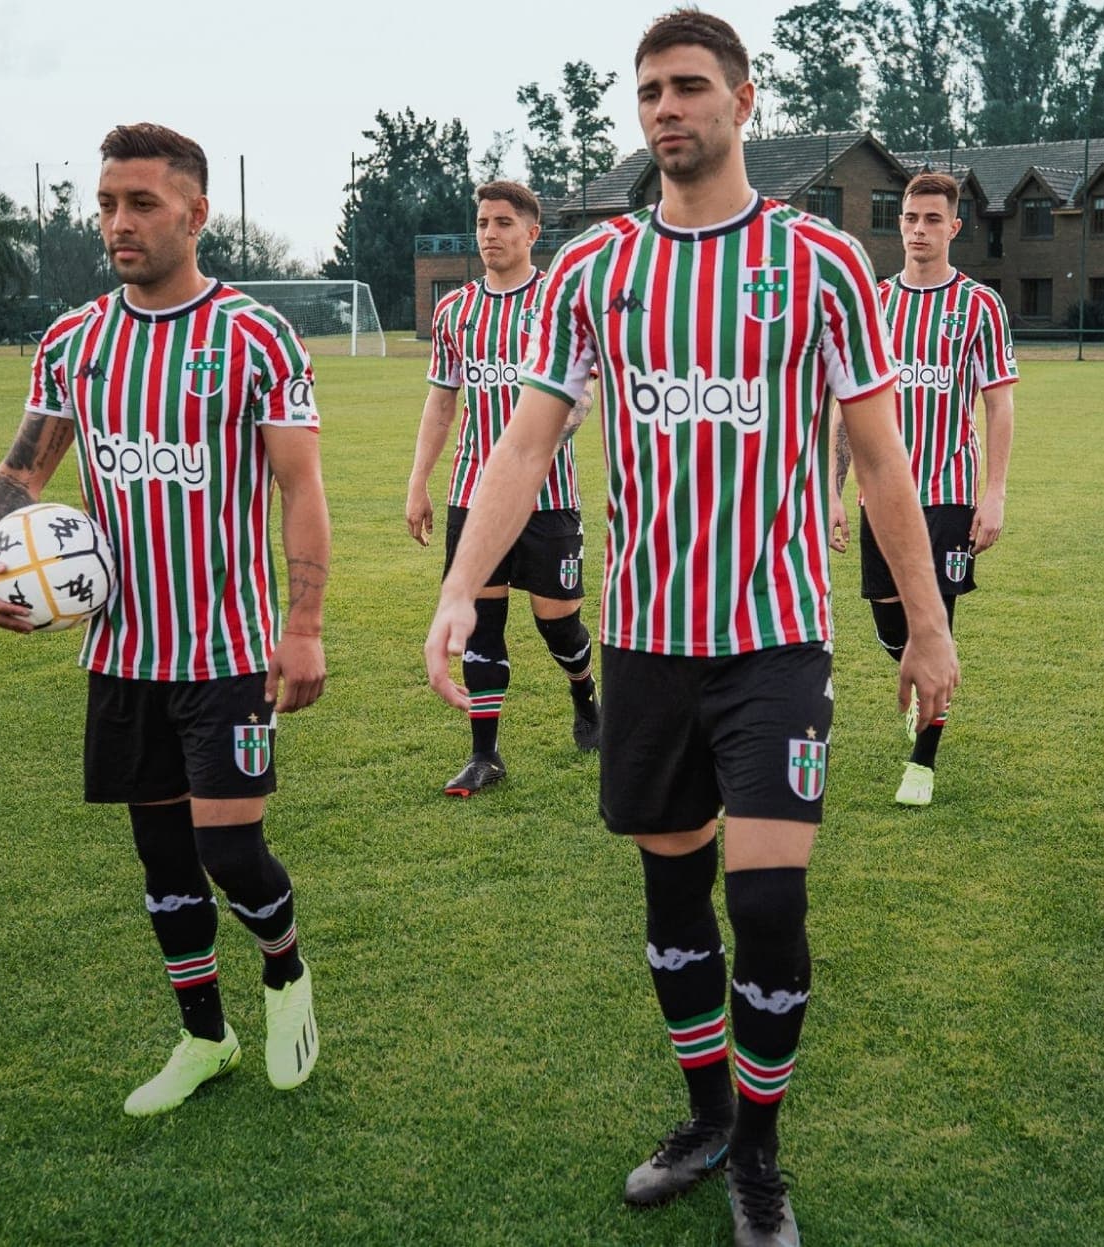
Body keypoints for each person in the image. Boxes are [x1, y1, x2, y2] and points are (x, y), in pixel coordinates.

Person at [423, 12, 956, 1246]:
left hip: (776, 635)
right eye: (651, 90)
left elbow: (880, 462)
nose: (668, 108)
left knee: (766, 901)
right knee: (673, 891)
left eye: (691, 87)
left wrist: (925, 631)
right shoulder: (595, 269)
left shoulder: (819, 263)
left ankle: (760, 1156)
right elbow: (523, 441)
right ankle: (707, 1113)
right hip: (650, 642)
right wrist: (461, 583)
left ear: (744, 101)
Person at [0, 123, 329, 1112]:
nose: (119, 221)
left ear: (195, 214)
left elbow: (299, 486)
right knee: (162, 861)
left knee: (229, 850)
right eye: (109, 203)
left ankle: (283, 968)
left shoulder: (254, 336)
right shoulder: (75, 341)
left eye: (143, 203)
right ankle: (205, 1036)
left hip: (229, 648)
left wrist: (306, 622)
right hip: (121, 652)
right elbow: (26, 464)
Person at [828, 171, 1016, 807]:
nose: (918, 229)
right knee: (889, 624)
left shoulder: (980, 306)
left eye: (933, 219)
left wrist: (994, 493)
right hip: (879, 496)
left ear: (954, 228)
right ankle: (928, 684)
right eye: (910, 218)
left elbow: (999, 406)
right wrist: (833, 488)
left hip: (948, 491)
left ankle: (923, 762)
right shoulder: (874, 304)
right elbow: (843, 404)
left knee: (936, 621)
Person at [406, 180, 599, 797]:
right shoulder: (455, 312)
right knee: (480, 623)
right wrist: (419, 483)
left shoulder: (561, 304)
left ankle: (586, 697)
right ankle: (485, 754)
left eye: (504, 223)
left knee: (557, 626)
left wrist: (540, 447)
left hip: (549, 499)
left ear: (532, 233)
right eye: (483, 223)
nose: (490, 234)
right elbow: (441, 405)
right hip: (471, 496)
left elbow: (583, 398)